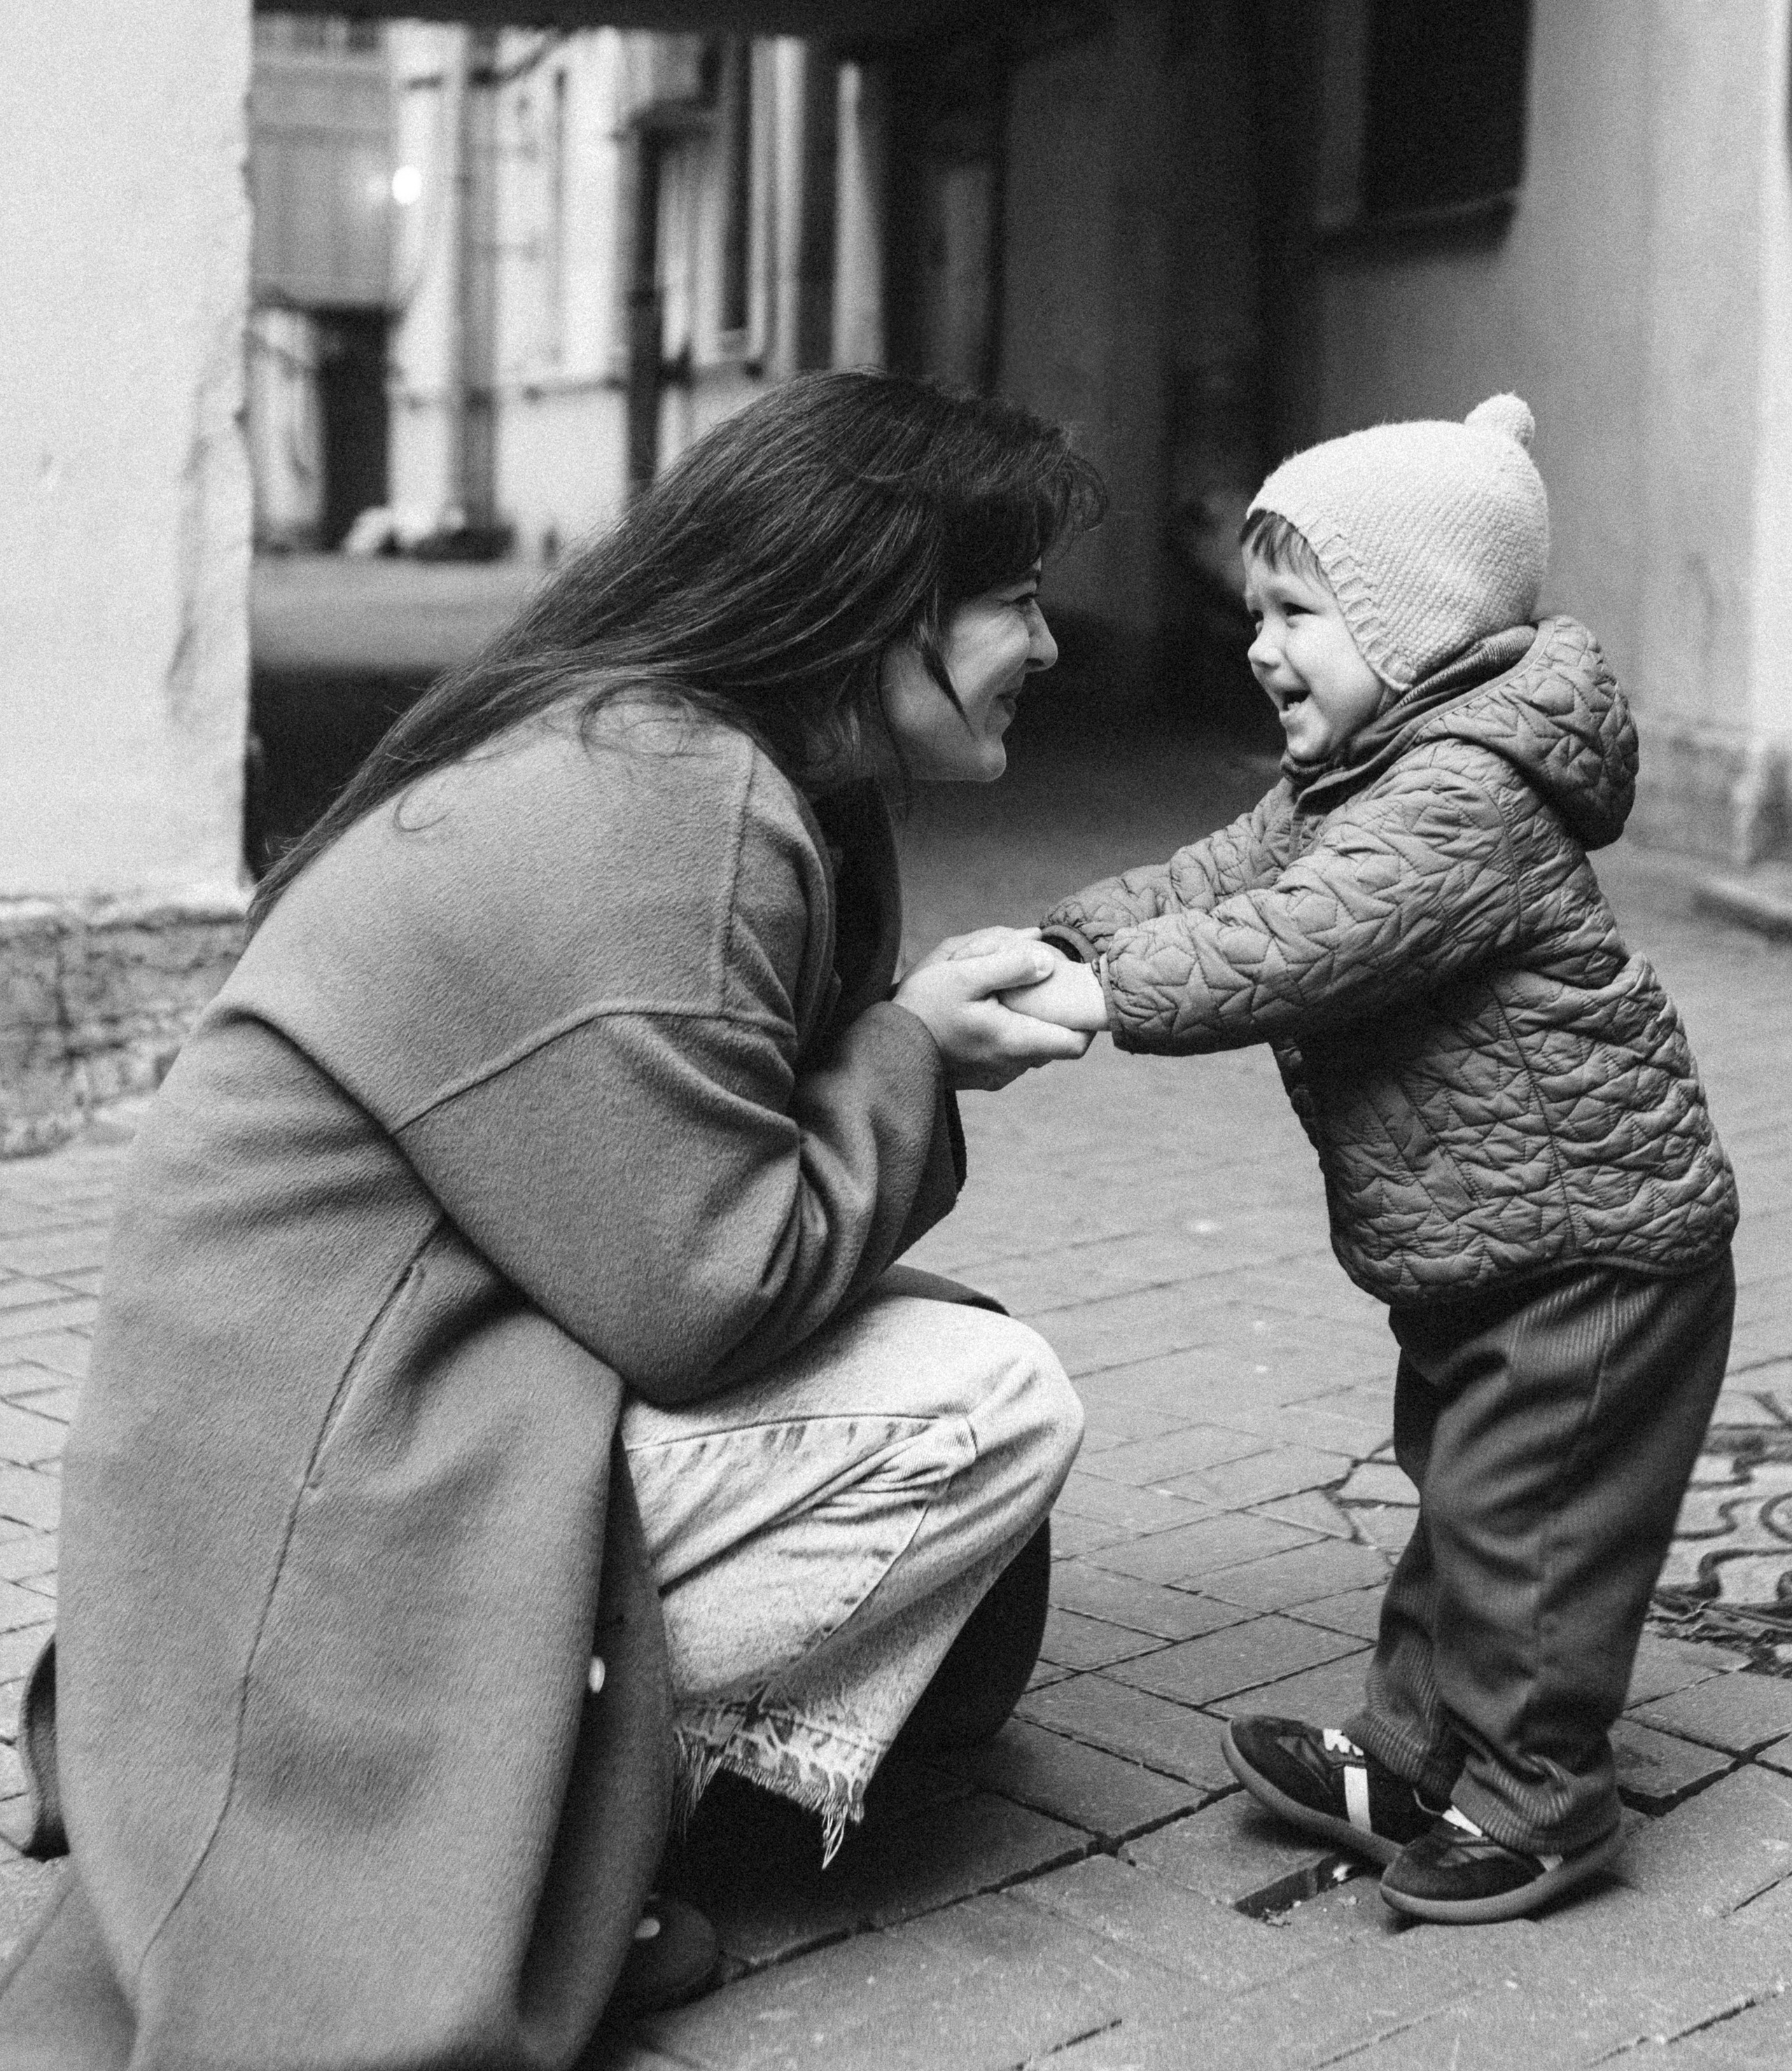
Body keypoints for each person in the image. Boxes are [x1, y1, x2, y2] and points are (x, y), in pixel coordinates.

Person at [0, 374, 1102, 2067]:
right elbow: (704, 1294)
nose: (1044, 638)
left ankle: (547, 1789)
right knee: (990, 1407)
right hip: (336, 1470)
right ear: (890, 605)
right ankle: (547, 1834)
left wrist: (902, 1044)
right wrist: (914, 1053)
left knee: (965, 1347)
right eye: (1011, 596)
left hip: (294, 1435)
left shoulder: (670, 752)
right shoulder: (676, 799)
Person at [1002, 395, 1738, 1925]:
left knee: (1523, 1536)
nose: (1260, 645)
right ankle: (1408, 1752)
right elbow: (1225, 872)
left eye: (1297, 615)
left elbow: (1296, 937)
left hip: (1594, 1249)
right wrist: (1072, 929)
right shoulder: (1356, 772)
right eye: (1253, 609)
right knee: (1465, 1501)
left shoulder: (1461, 796)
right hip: (1491, 1242)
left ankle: (1539, 1799)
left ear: (1412, 637)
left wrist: (1109, 993)